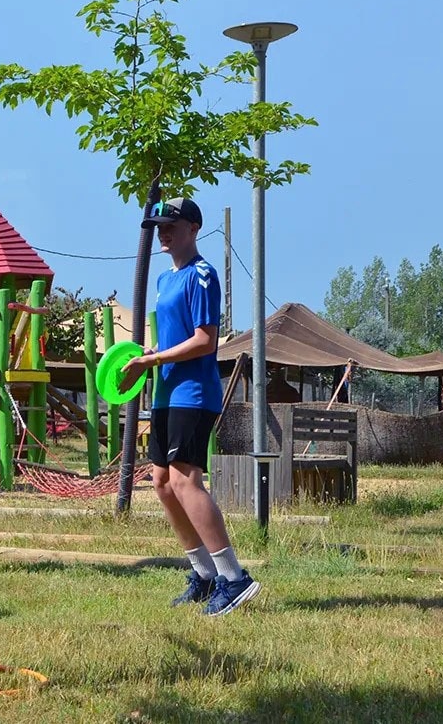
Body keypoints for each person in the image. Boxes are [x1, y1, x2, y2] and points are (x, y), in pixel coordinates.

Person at [119, 197, 261, 616]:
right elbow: (174, 339)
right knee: (161, 483)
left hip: (193, 394)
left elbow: (205, 340)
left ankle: (234, 578)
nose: (163, 232)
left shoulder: (202, 275)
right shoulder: (166, 279)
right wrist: (149, 353)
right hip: (165, 392)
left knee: (185, 482)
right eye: (159, 226)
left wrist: (153, 359)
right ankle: (202, 574)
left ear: (194, 228)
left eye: (172, 225)